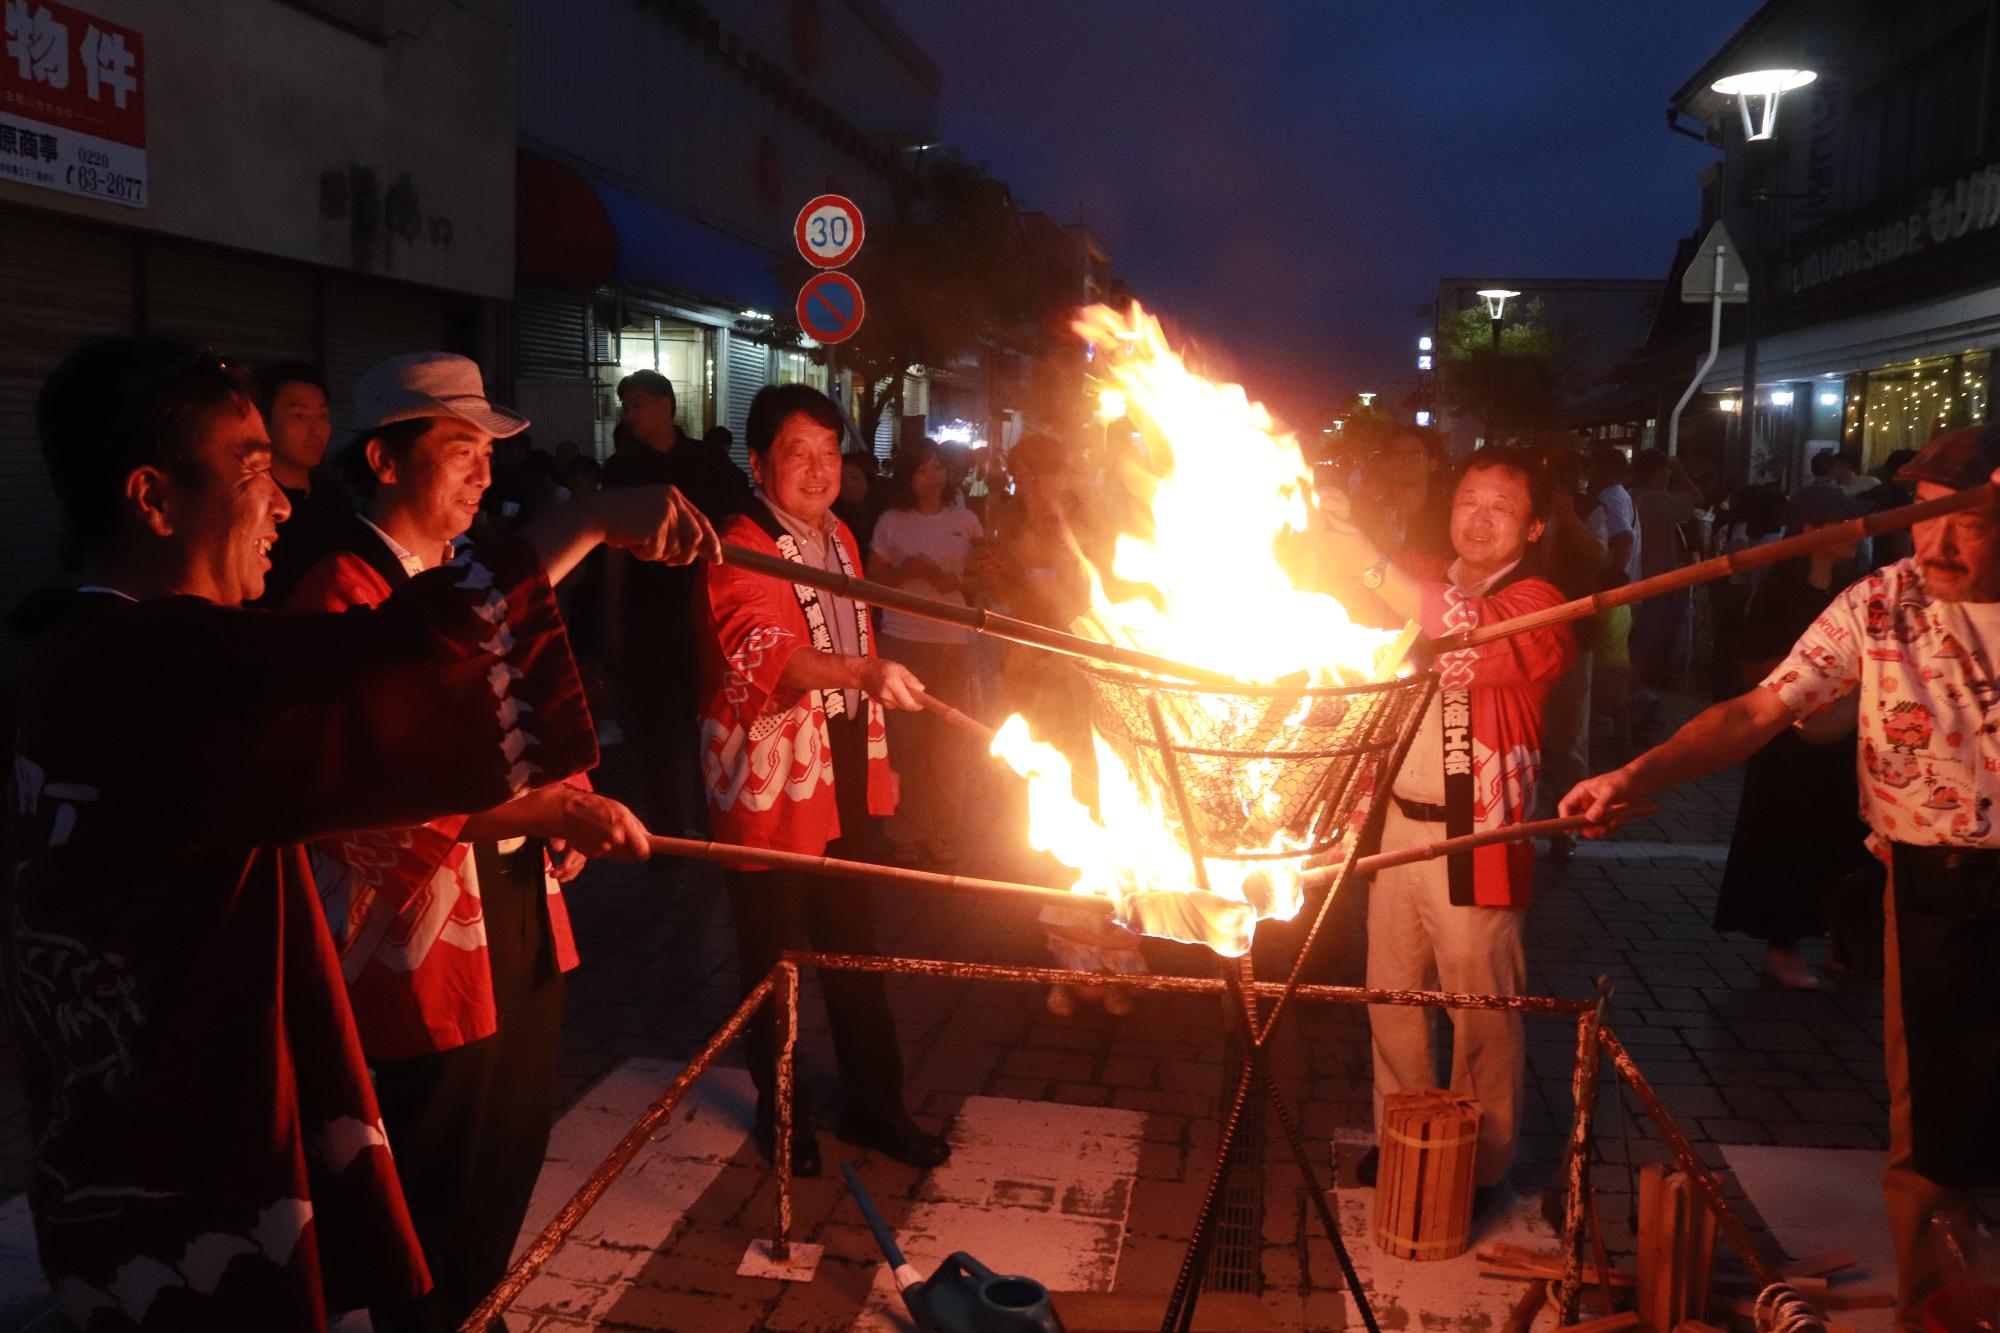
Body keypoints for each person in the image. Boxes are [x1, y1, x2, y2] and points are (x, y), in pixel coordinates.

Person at [4, 334, 716, 1330]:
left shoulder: (98, 652)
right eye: (255, 472)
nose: (284, 501)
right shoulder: (153, 670)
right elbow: (396, 674)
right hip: (181, 1134)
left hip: (149, 1114)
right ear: (153, 500)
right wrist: (589, 518)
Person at [1562, 424, 2000, 1333]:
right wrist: (1630, 776)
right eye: (1924, 517)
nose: (1939, 543)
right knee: (1936, 1119)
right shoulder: (1882, 603)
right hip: (1928, 886)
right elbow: (1757, 709)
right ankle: (1937, 1309)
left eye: (1969, 520)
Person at [286, 352, 654, 1332]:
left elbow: (533, 711)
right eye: (458, 450)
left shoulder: (478, 572)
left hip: (516, 906)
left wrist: (567, 800)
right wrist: (545, 814)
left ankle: (469, 1299)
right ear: (385, 459)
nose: (483, 474)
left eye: (489, 453)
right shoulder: (340, 590)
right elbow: (366, 790)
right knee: (432, 1154)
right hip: (419, 935)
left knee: (511, 1134)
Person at [696, 382, 950, 1176]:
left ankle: (877, 1104)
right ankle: (785, 1113)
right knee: (776, 962)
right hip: (770, 785)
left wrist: (870, 703)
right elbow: (772, 652)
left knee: (855, 950)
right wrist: (865, 669)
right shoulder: (738, 544)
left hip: (840, 771)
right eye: (797, 453)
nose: (816, 469)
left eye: (830, 453)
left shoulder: (841, 533)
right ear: (760, 460)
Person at [1318, 446, 1575, 1204]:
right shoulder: (1420, 570)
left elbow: (1465, 631)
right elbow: (1343, 574)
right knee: (1391, 994)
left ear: (1533, 528)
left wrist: (1370, 567)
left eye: (1502, 505)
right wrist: (1323, 512)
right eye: (1469, 498)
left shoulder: (1540, 602)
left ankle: (1483, 1158)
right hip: (1399, 824)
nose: (1480, 517)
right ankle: (1405, 1133)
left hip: (1479, 834)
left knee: (1480, 1008)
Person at [986, 432, 1147, 1017]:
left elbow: (1112, 602)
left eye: (1044, 473)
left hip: (1092, 692)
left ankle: (1118, 962)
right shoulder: (1006, 526)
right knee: (1051, 825)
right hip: (1037, 693)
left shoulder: (1092, 529)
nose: (1035, 486)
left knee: (1108, 815)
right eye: (1025, 474)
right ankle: (1064, 964)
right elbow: (1003, 599)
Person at [1710, 484, 1875, 992]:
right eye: (1842, 524)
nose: (1856, 533)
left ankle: (1841, 939)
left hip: (1842, 737)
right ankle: (1782, 946)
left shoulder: (1850, 589)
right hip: (1787, 741)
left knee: (1843, 836)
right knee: (1788, 838)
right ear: (1812, 531)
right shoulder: (1778, 590)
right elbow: (1751, 669)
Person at [603, 369, 754, 837]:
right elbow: (613, 549)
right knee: (656, 728)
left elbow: (738, 525)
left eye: (640, 403)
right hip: (647, 613)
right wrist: (612, 620)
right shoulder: (622, 470)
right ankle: (669, 834)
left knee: (712, 720)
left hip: (706, 609)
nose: (632, 414)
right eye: (626, 406)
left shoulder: (706, 461)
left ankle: (718, 824)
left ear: (667, 405)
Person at [868, 437, 984, 868]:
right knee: (906, 743)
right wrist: (906, 572)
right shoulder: (892, 521)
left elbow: (980, 580)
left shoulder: (966, 520)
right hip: (902, 640)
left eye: (938, 467)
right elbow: (872, 582)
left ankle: (942, 830)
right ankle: (906, 830)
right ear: (907, 477)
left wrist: (952, 581)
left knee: (950, 745)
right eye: (922, 469)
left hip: (953, 642)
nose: (933, 475)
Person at [253, 360, 350, 608]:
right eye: (299, 416)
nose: (316, 429)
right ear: (264, 422)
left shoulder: (337, 500)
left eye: (322, 416)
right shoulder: (254, 505)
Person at [1627, 450, 1706, 697]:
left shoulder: (1631, 496)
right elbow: (1698, 500)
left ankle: (1634, 689)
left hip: (1634, 574)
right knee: (1648, 637)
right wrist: (1683, 473)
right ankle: (1638, 693)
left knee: (1634, 637)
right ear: (1658, 472)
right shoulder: (1656, 500)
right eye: (1666, 471)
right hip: (1656, 576)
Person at [1585, 446, 1641, 748]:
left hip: (1612, 590)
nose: (1588, 474)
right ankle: (1623, 735)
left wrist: (1611, 579)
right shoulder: (1620, 495)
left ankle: (1600, 734)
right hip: (1620, 592)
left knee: (1598, 686)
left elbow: (1623, 537)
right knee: (1617, 692)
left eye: (1591, 467)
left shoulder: (1611, 496)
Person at [1357, 427, 1453, 563]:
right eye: (1398, 453)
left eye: (1416, 453)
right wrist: (1371, 546)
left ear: (1433, 463)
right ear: (1387, 463)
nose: (1406, 460)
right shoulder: (1368, 514)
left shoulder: (1447, 520)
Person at [836, 451, 881, 554]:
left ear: (867, 477)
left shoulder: (886, 513)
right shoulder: (834, 518)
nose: (849, 485)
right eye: (841, 480)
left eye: (854, 477)